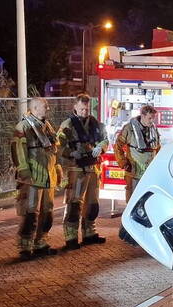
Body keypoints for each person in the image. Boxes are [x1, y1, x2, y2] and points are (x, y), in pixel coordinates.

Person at [13, 97, 63, 259]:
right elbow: (19, 152)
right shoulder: (23, 127)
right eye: (45, 107)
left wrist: (56, 168)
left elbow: (52, 150)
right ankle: (25, 246)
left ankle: (41, 242)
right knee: (30, 213)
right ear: (34, 108)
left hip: (48, 177)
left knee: (47, 212)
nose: (48, 109)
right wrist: (25, 174)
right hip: (33, 178)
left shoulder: (46, 126)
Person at [57, 93, 108, 249]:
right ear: (75, 107)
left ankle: (89, 233)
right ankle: (71, 237)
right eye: (82, 109)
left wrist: (101, 147)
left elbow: (105, 139)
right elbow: (59, 145)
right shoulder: (67, 125)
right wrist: (71, 153)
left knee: (92, 204)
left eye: (87, 109)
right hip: (76, 168)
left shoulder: (96, 124)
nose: (85, 112)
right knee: (74, 203)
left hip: (93, 168)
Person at [113, 104, 160, 201]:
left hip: (149, 173)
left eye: (153, 119)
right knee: (133, 200)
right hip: (134, 171)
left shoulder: (153, 129)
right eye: (150, 118)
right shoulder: (129, 129)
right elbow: (118, 146)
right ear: (142, 116)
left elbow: (157, 147)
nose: (152, 121)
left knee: (147, 200)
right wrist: (124, 163)